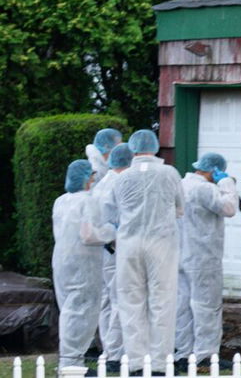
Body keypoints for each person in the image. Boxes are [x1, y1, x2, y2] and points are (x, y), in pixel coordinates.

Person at [113, 129, 184, 373]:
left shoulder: (121, 177)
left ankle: (135, 362)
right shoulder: (169, 173)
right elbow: (180, 208)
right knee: (162, 300)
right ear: (155, 147)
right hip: (161, 242)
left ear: (132, 148)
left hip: (128, 244)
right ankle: (159, 364)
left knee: (131, 301)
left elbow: (114, 212)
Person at [176, 152, 238, 368]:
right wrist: (226, 183)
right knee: (207, 306)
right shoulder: (205, 188)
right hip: (203, 255)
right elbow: (229, 208)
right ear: (213, 171)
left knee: (182, 305)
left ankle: (183, 354)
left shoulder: (181, 185)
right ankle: (205, 355)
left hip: (181, 254)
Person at [83, 143, 133, 373]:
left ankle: (108, 350)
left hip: (103, 252)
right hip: (115, 250)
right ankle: (114, 355)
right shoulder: (119, 184)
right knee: (118, 301)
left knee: (106, 302)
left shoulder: (103, 183)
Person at [53, 159, 103, 369]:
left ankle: (70, 361)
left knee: (68, 310)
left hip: (62, 260)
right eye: (91, 176)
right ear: (85, 179)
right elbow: (89, 235)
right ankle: (72, 365)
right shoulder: (88, 201)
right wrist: (112, 231)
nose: (93, 179)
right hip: (84, 263)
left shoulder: (61, 200)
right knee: (81, 313)